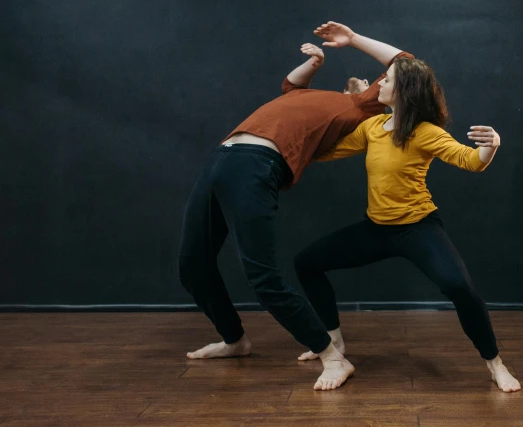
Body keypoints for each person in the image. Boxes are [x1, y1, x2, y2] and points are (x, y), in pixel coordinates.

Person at [177, 21, 413, 391]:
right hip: (221, 159)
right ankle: (234, 339)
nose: (377, 82)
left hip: (255, 165)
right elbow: (290, 85)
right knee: (192, 265)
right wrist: (314, 63)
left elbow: (404, 62)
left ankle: (333, 357)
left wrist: (351, 40)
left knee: (263, 278)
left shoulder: (360, 107)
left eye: (381, 82)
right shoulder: (311, 98)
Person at [292, 52, 522, 392]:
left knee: (460, 288)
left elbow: (471, 161)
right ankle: (334, 341)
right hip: (376, 229)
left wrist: (492, 146)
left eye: (386, 80)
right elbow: (328, 151)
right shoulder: (372, 128)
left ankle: (495, 364)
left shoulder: (425, 132)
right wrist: (304, 131)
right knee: (306, 262)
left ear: (404, 90)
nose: (380, 83)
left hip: (418, 228)